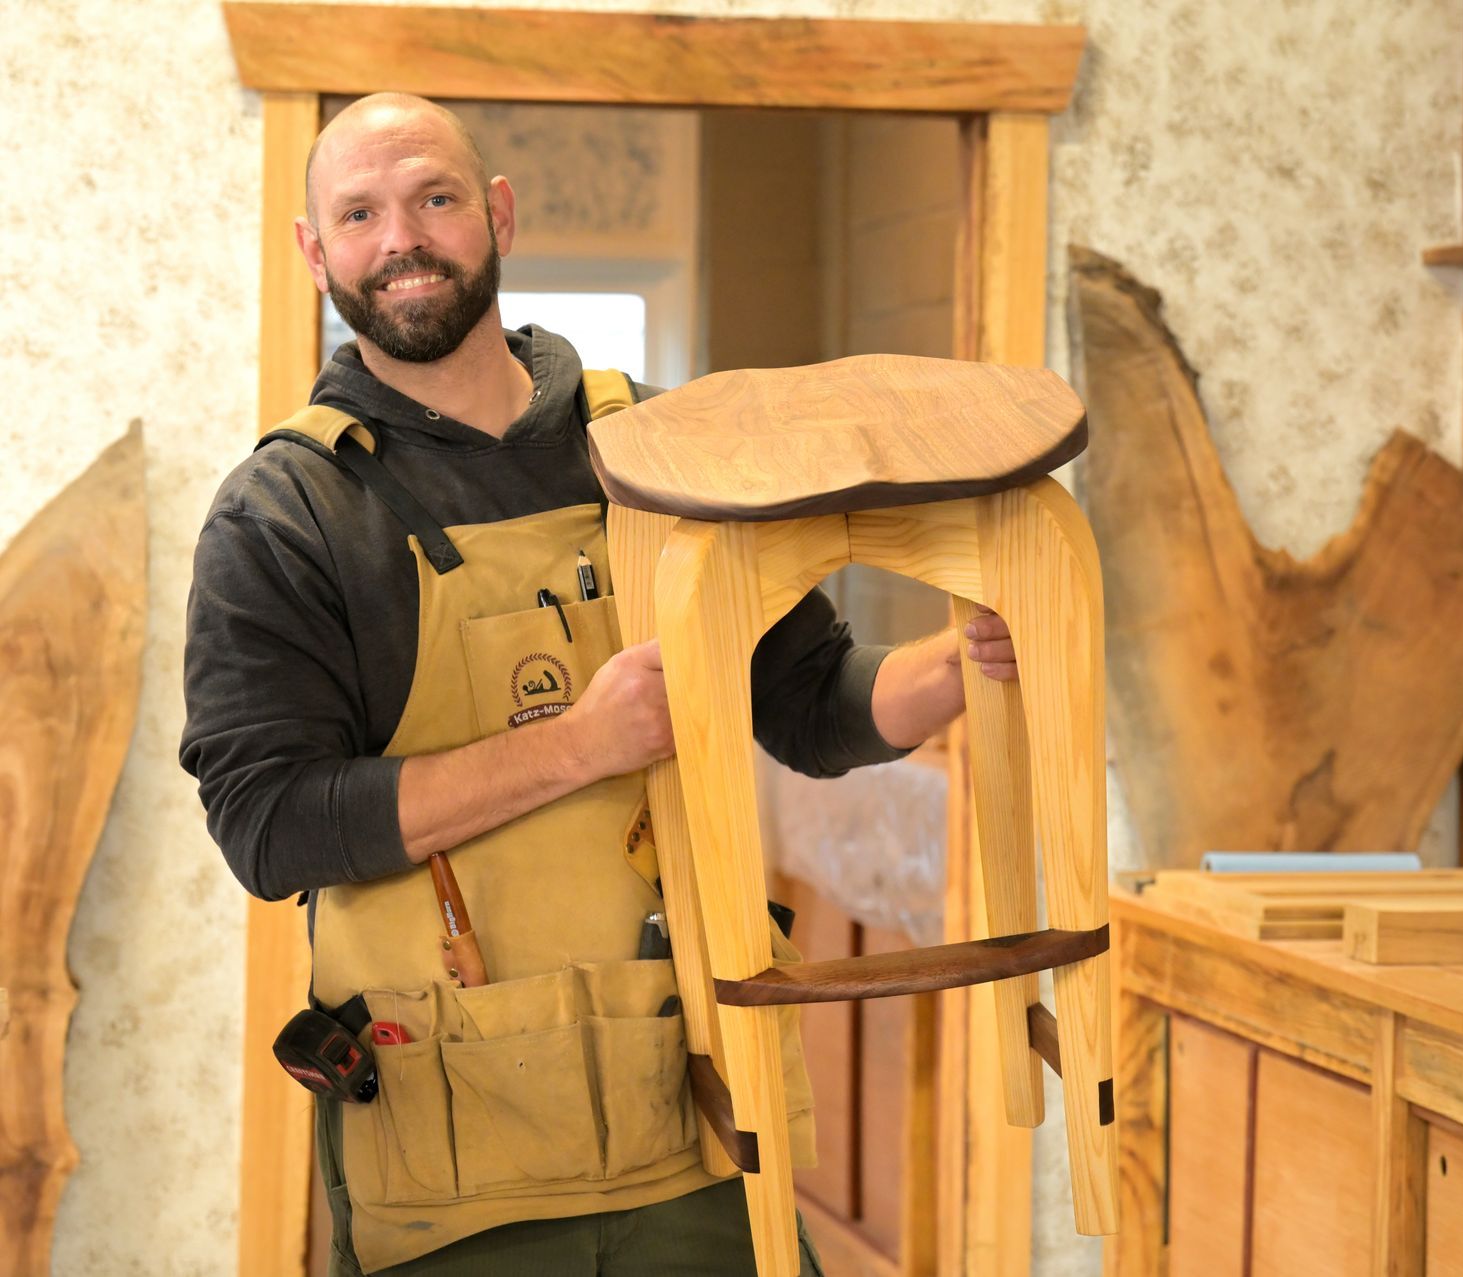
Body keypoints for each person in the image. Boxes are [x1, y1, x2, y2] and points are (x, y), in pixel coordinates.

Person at [180, 92, 1017, 1275]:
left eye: (435, 197)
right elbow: (271, 828)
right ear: (316, 251)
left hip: (700, 1118)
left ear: (499, 215)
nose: (401, 237)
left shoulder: (661, 452)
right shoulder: (289, 512)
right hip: (457, 1160)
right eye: (359, 213)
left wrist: (961, 662)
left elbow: (813, 701)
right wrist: (578, 743)